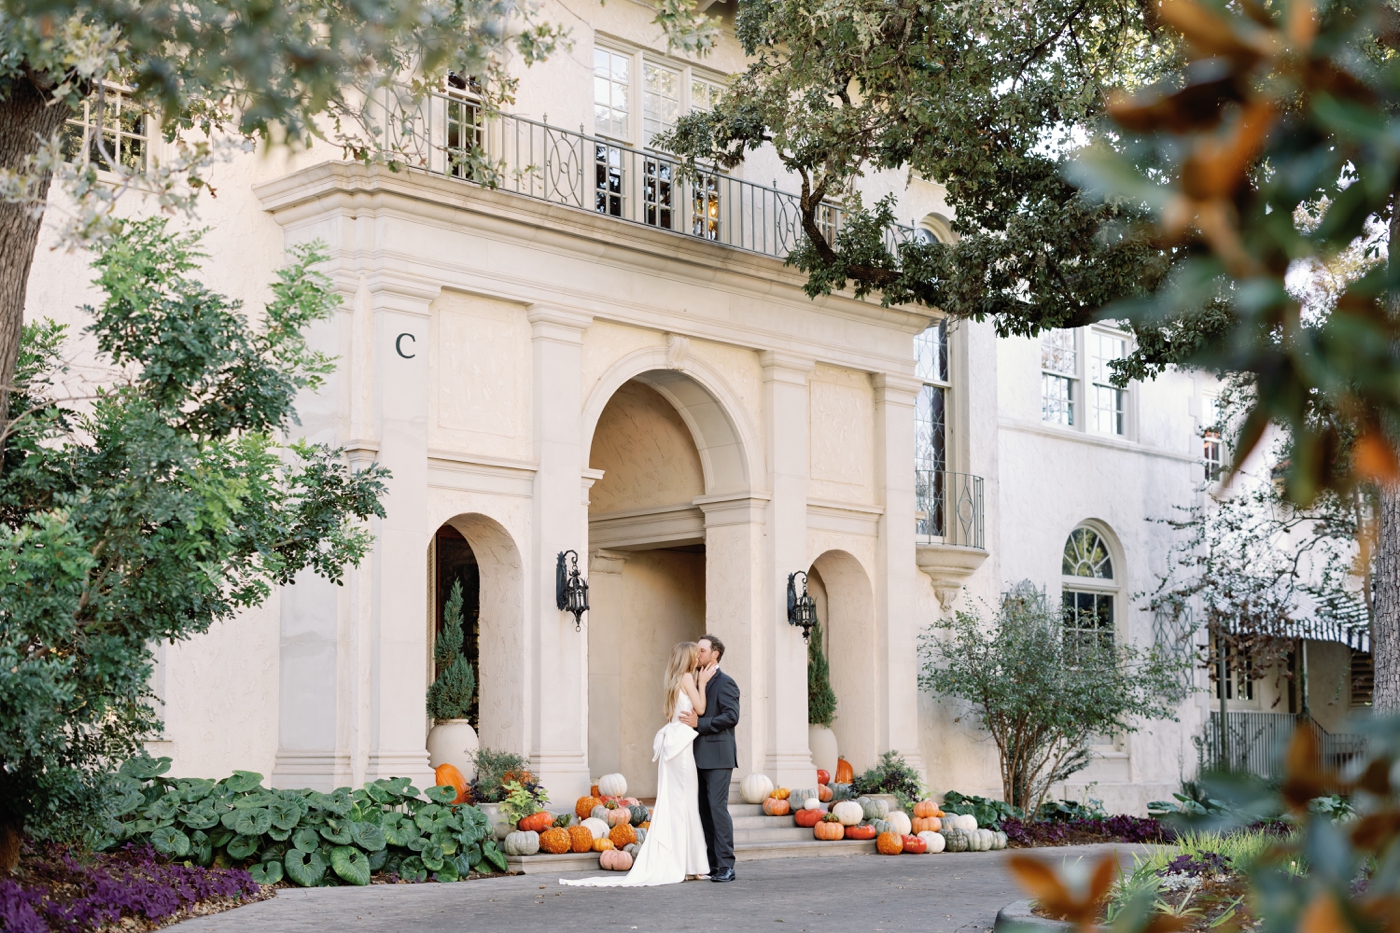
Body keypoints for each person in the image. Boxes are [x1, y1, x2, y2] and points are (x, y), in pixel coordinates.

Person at [560, 641, 714, 887]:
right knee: (684, 803)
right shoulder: (687, 678)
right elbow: (702, 708)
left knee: (676, 803)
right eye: (696, 656)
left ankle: (686, 863)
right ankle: (689, 864)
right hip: (681, 749)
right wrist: (702, 684)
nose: (698, 660)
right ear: (688, 658)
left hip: (671, 748)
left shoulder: (674, 681)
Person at [678, 634, 740, 882]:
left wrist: (699, 723)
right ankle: (713, 864)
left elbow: (731, 716)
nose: (697, 655)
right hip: (696, 757)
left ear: (715, 654)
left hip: (719, 758)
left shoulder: (726, 683)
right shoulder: (694, 680)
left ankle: (727, 866)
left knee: (717, 810)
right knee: (704, 812)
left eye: (702, 650)